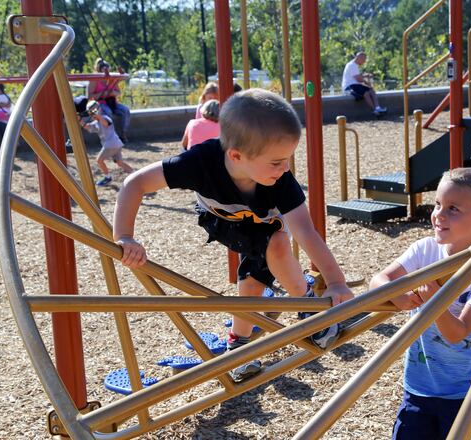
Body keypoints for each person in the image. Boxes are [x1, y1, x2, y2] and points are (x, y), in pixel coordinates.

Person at [113, 89, 354, 381]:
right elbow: (134, 183)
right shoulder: (199, 163)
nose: (285, 168)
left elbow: (305, 230)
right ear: (236, 156)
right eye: (277, 162)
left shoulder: (280, 181)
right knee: (255, 274)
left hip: (265, 225)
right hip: (220, 220)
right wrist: (125, 236)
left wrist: (335, 281)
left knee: (264, 265)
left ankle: (260, 333)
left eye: (288, 159)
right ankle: (298, 306)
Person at [369, 167, 471, 439]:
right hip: (419, 387)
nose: (438, 215)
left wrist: (434, 302)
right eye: (437, 204)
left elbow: (457, 334)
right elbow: (379, 280)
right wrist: (398, 295)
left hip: (467, 394)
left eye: (453, 209)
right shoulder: (425, 250)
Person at [75, 97, 135, 186]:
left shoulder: (105, 118)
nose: (92, 115)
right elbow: (87, 126)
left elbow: (105, 123)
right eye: (91, 113)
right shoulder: (96, 123)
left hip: (111, 145)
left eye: (93, 112)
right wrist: (79, 120)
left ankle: (107, 177)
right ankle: (135, 174)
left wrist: (98, 115)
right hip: (115, 144)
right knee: (119, 162)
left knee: (99, 160)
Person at [89, 58, 131, 142]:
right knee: (108, 112)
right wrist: (104, 94)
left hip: (112, 102)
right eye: (104, 70)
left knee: (125, 110)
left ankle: (123, 134)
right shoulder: (94, 80)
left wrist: (112, 93)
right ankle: (112, 136)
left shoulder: (112, 79)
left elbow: (118, 92)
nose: (106, 72)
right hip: (100, 103)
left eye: (107, 70)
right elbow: (90, 96)